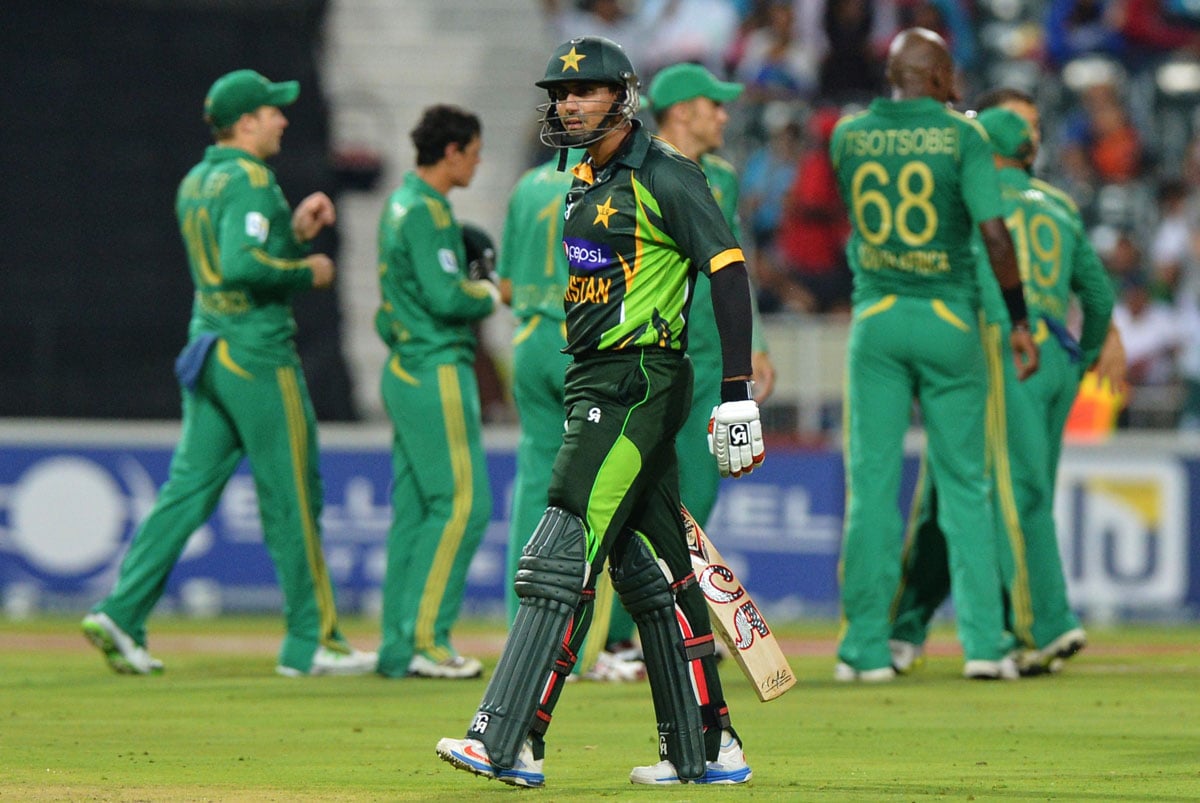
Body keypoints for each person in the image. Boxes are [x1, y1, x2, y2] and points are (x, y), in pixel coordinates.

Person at [436, 35, 764, 787]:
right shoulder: (583, 177)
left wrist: (737, 389)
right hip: (597, 379)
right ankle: (707, 747)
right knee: (657, 569)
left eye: (583, 92)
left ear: (623, 95)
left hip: (636, 381)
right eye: (559, 92)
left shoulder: (667, 174)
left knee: (560, 550)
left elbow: (728, 269)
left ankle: (509, 735)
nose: (567, 103)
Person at [81, 69, 376, 678]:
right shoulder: (250, 177)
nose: (283, 119)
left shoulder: (198, 179)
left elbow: (228, 260)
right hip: (257, 354)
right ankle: (311, 641)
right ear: (246, 122)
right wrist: (308, 270)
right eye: (272, 111)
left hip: (209, 349)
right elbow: (244, 266)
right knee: (294, 492)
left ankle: (121, 611)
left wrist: (293, 233)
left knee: (186, 491)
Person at [830, 27, 1039, 683]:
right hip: (950, 315)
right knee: (966, 486)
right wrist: (1021, 320)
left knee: (868, 488)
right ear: (943, 77)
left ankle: (864, 647)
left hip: (878, 318)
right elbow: (996, 237)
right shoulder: (963, 136)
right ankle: (983, 644)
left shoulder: (847, 134)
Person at [889, 96, 1118, 678]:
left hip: (998, 350)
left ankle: (1032, 628)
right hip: (1057, 360)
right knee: (1026, 491)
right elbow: (1096, 295)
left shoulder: (973, 200)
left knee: (986, 492)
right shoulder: (1062, 204)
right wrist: (1087, 354)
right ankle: (1027, 621)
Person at [495, 149, 646, 683]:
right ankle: (583, 650)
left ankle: (525, 632)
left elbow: (506, 288)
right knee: (596, 491)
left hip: (527, 342)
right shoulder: (605, 185)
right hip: (576, 343)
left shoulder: (527, 184)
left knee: (535, 484)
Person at [373, 104, 498, 679]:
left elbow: (389, 307)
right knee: (464, 506)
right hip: (436, 367)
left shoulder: (401, 205)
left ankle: (399, 645)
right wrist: (490, 292)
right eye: (472, 152)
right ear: (451, 152)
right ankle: (428, 642)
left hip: (406, 367)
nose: (476, 162)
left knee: (416, 510)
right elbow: (449, 299)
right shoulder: (424, 211)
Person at [645, 60, 776, 525]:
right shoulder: (636, 174)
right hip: (648, 359)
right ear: (681, 112)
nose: (724, 116)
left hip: (708, 359)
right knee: (635, 512)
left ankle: (665, 600)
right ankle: (627, 601)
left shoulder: (721, 178)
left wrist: (753, 342)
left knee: (696, 502)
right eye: (713, 105)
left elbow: (735, 266)